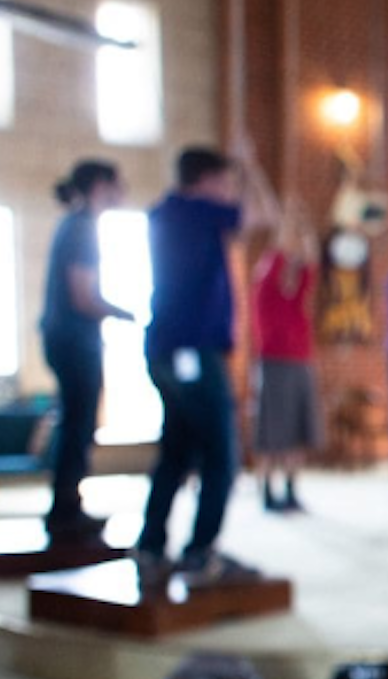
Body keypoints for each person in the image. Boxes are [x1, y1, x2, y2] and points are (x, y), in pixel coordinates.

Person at [136, 145, 276, 582]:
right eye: (225, 182)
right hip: (191, 351)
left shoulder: (166, 212)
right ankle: (201, 552)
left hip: (167, 350)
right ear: (206, 180)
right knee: (221, 453)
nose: (229, 190)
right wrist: (252, 166)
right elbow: (265, 216)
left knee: (177, 451)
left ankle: (151, 546)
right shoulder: (196, 210)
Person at [39, 159, 133, 545]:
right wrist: (124, 312)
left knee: (77, 423)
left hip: (68, 338)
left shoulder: (76, 225)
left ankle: (67, 505)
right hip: (74, 340)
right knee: (78, 425)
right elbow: (83, 296)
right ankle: (64, 510)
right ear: (100, 185)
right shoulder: (81, 228)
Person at [250, 206, 321, 512]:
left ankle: (291, 488)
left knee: (297, 429)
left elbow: (312, 261)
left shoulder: (296, 294)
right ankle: (266, 489)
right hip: (273, 363)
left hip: (300, 362)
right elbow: (279, 249)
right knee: (271, 431)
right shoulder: (266, 287)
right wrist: (288, 222)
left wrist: (306, 231)